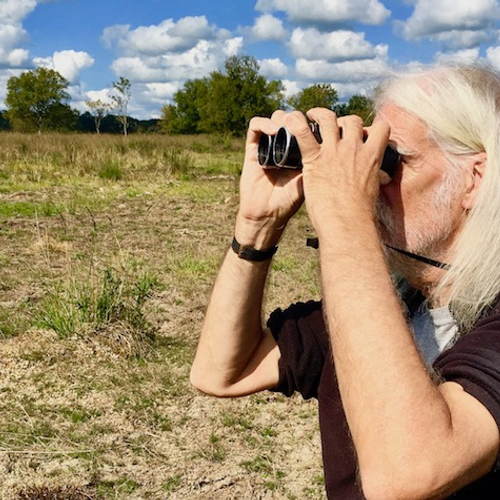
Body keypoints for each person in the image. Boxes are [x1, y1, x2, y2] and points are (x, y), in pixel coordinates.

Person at [190, 64, 500, 499]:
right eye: (369, 155)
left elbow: (407, 472)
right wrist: (255, 226)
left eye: (392, 158)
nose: (371, 180)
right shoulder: (387, 307)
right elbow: (221, 372)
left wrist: (343, 215)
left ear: (475, 179)